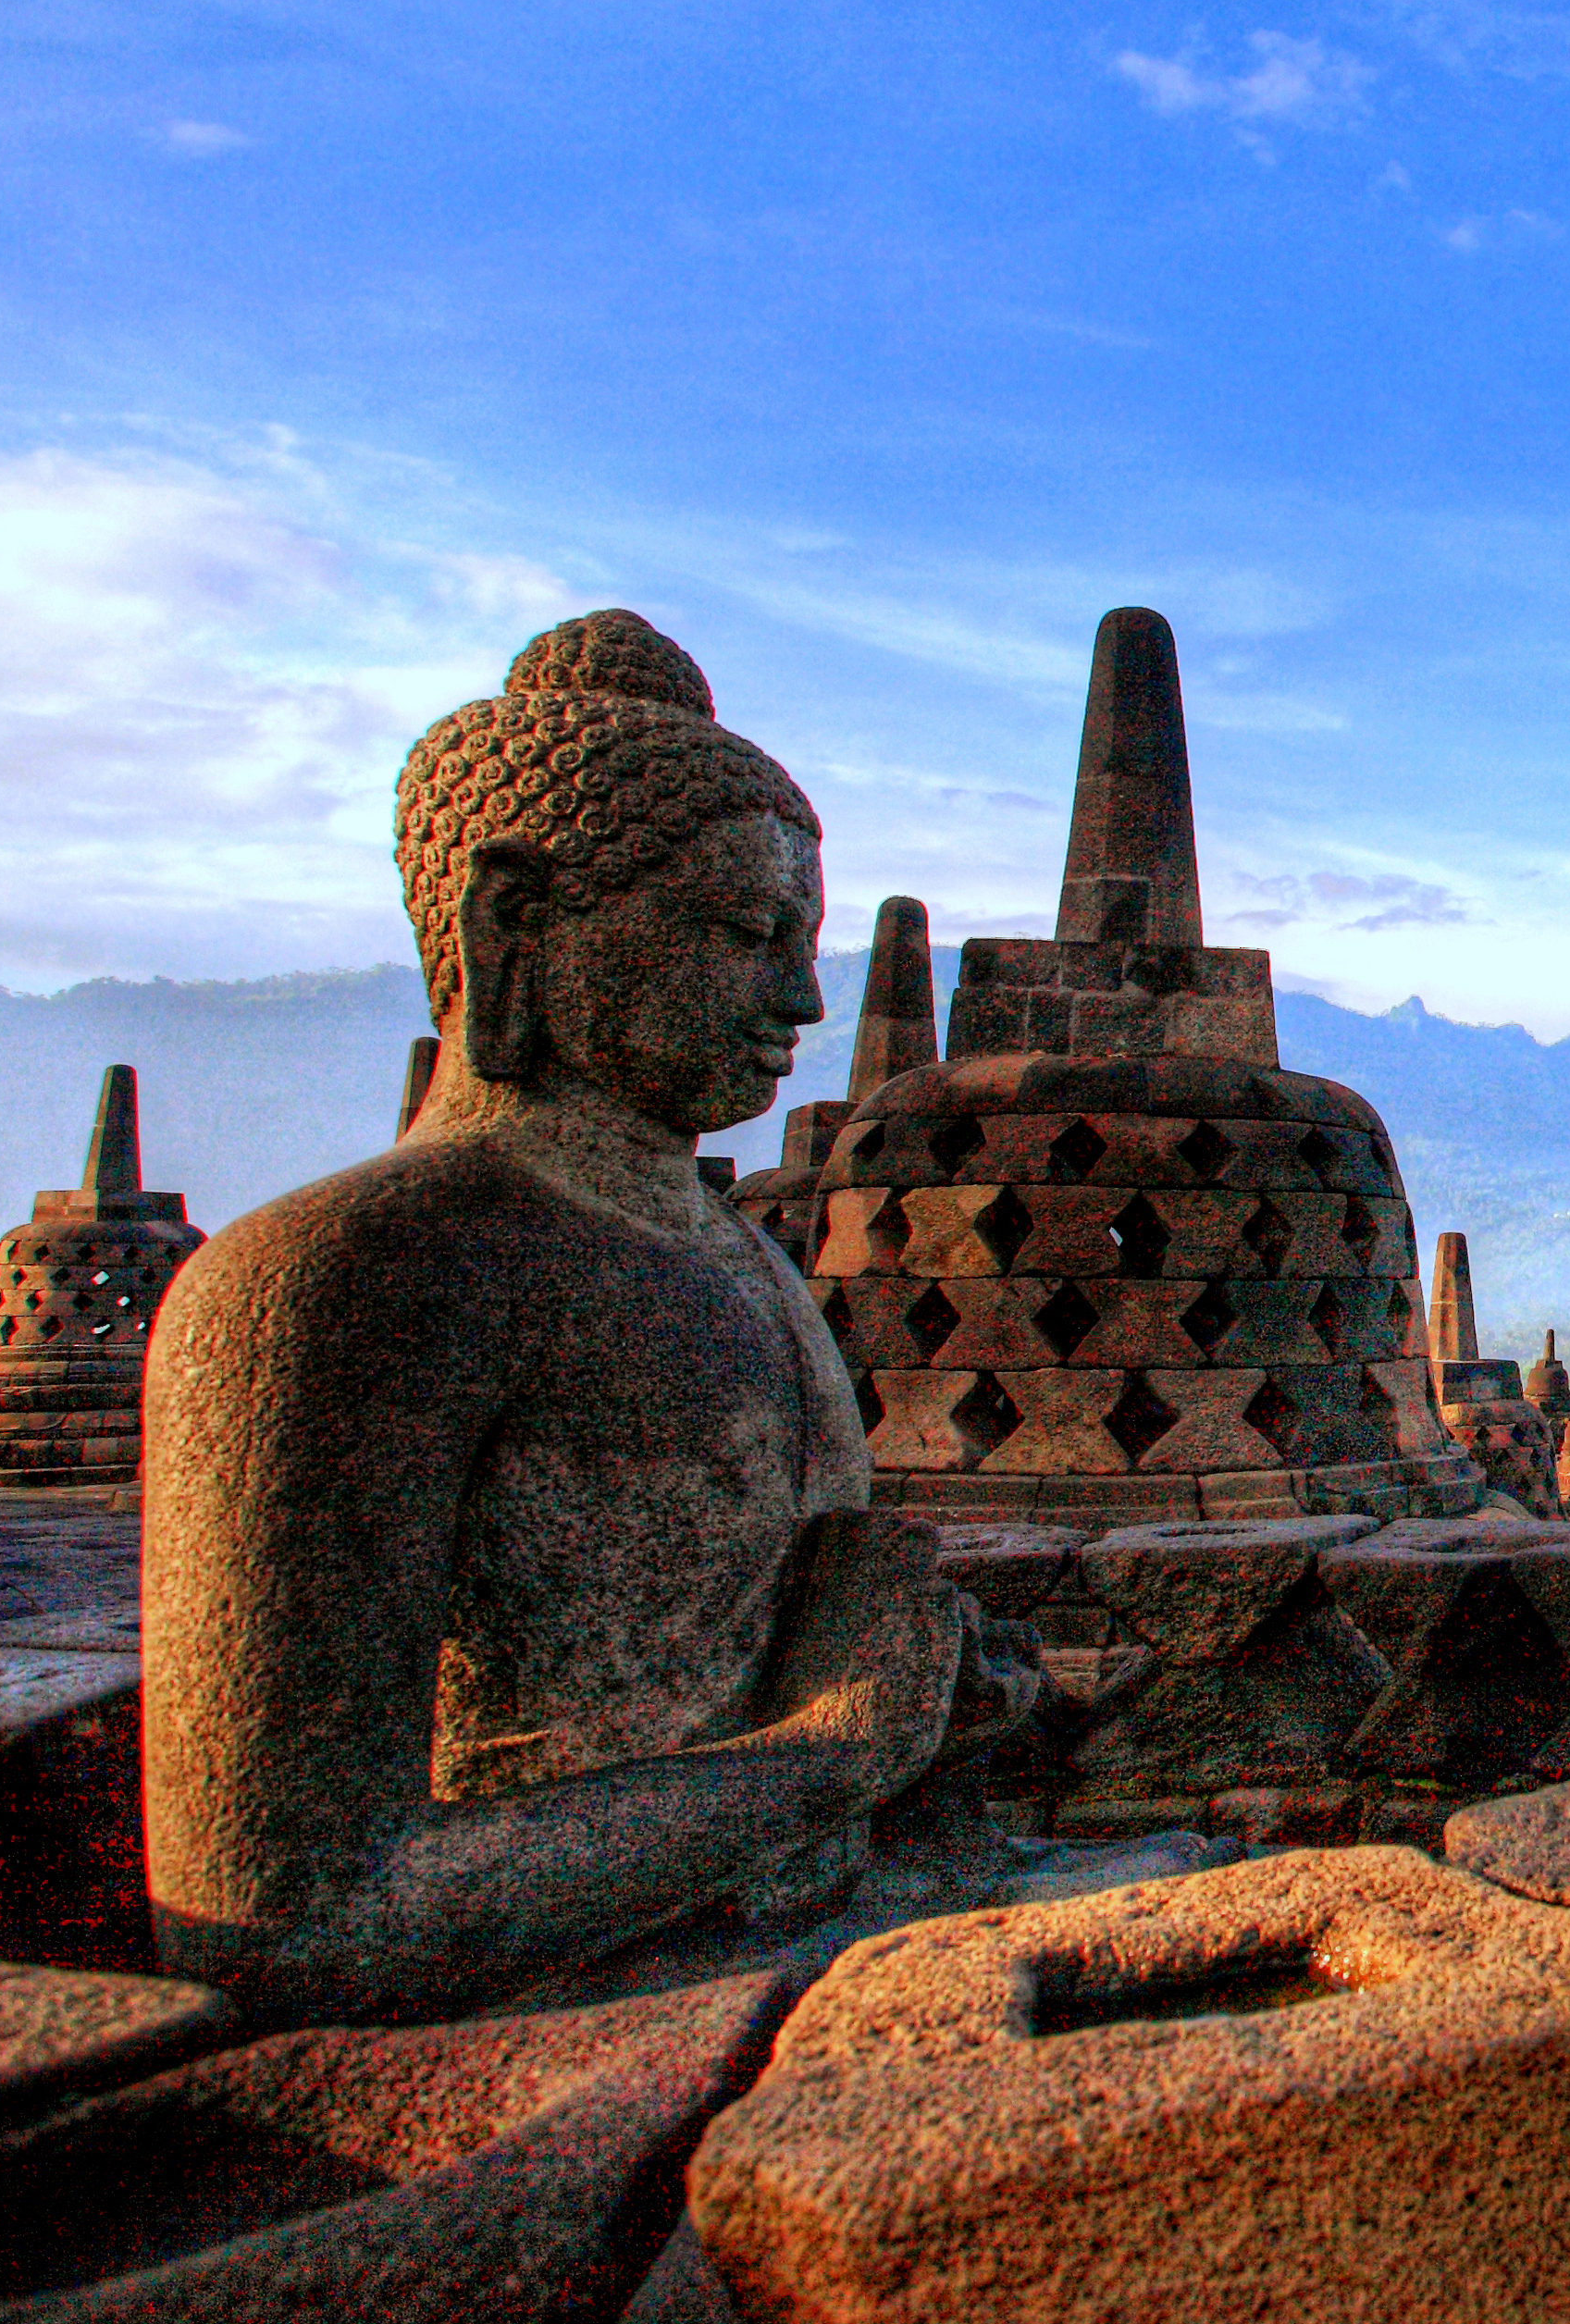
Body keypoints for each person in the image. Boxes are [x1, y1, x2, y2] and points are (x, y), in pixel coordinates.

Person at [143, 610, 1054, 2023]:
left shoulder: (745, 1265)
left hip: (837, 1941)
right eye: (749, 935)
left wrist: (943, 1710)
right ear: (514, 919)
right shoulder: (331, 1282)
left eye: (805, 942)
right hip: (558, 2056)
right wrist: (830, 1755)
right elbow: (282, 1919)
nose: (800, 999)